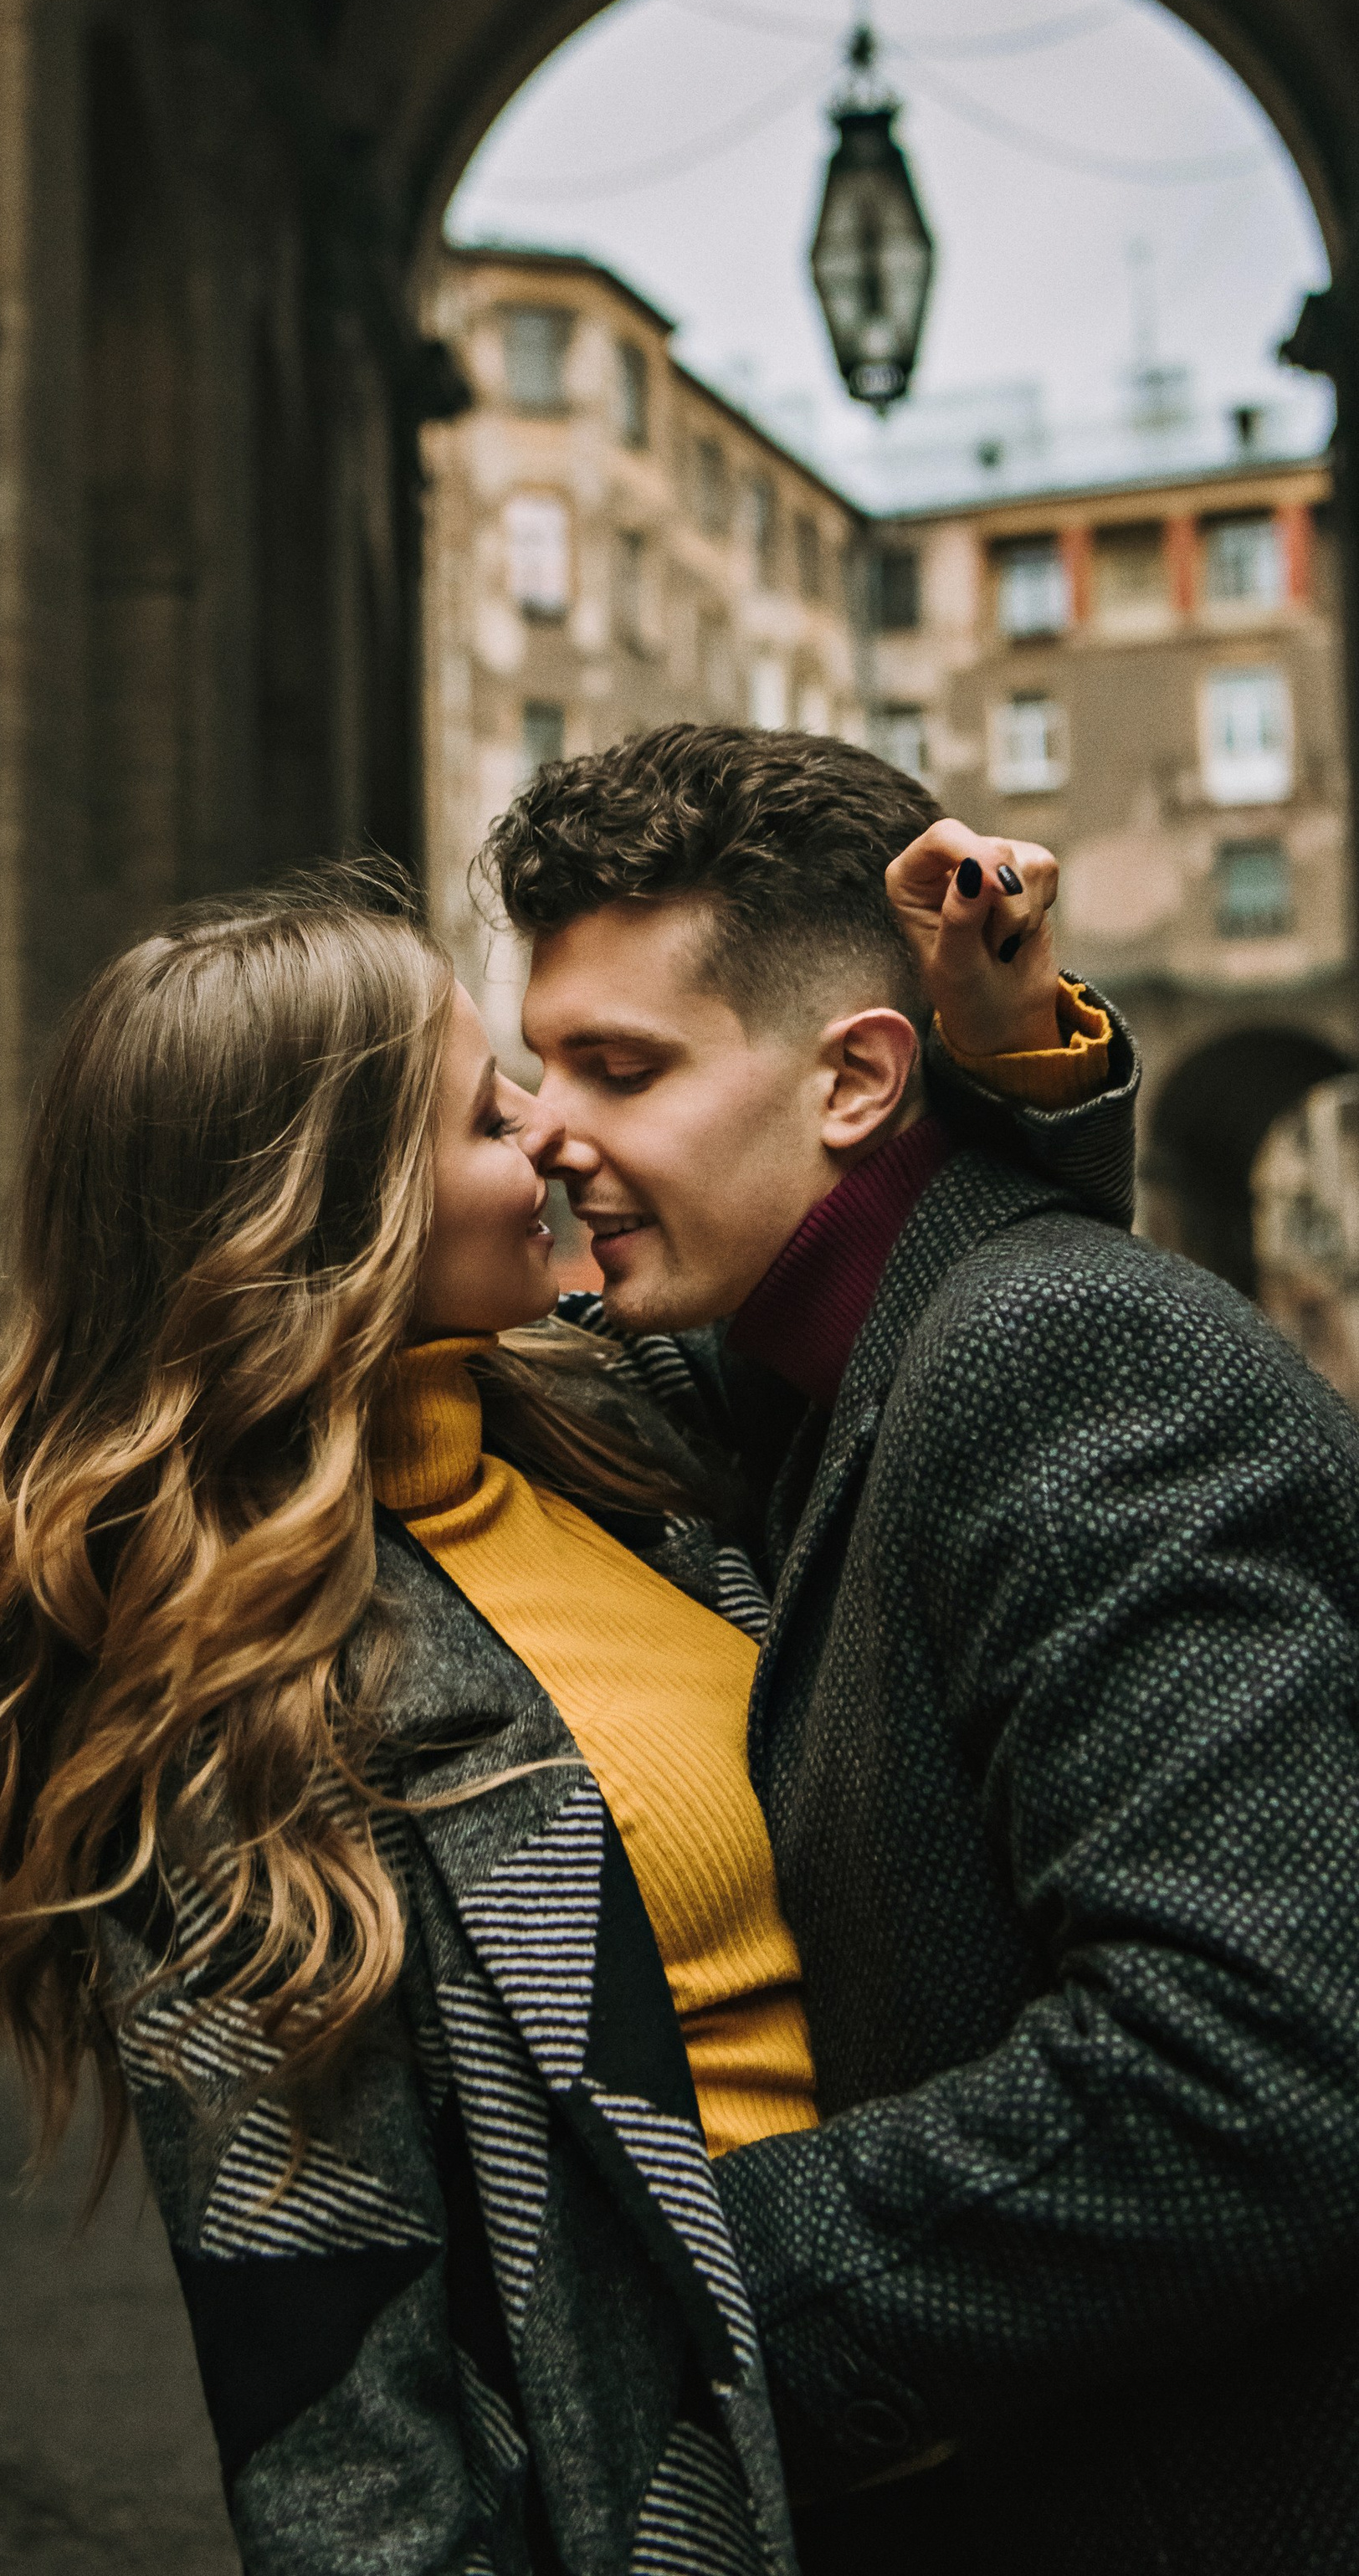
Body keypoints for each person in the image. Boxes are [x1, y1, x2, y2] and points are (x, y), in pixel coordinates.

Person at [0, 854, 1113, 2576]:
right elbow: (335, 2400)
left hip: (994, 2405)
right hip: (729, 2502)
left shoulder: (614, 1422)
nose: (555, 1137)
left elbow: (936, 1309)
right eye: (491, 1114)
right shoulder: (224, 1728)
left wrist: (1010, 1060)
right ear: (333, 1216)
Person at [481, 720, 1359, 2576]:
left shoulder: (1062, 1354)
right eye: (527, 1072)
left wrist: (664, 2301)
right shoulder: (786, 1355)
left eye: (616, 1067)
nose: (547, 1132)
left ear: (854, 1083)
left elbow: (1247, 2078)